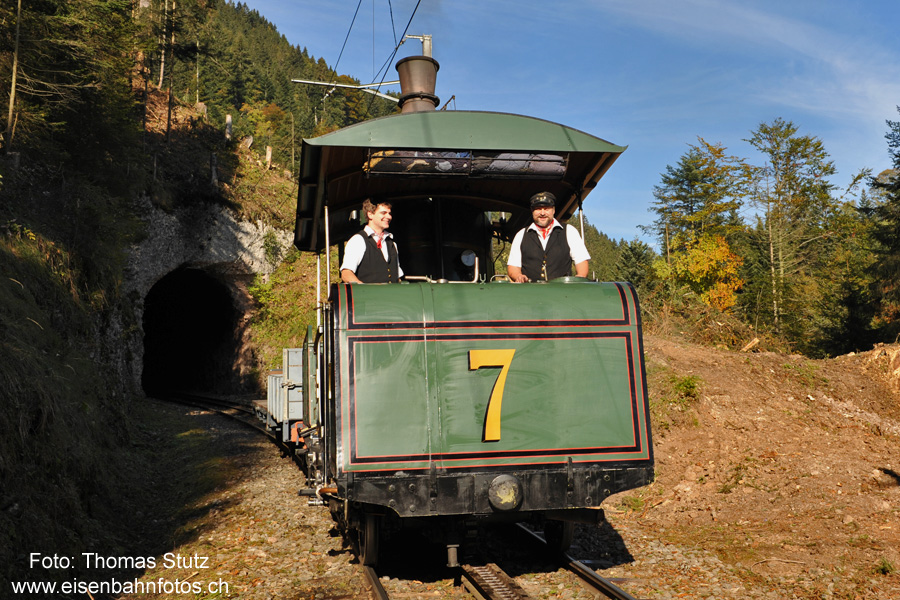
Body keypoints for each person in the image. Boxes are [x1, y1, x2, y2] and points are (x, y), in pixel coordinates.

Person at [506, 191, 590, 282]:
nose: (542, 213)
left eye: (546, 209)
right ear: (532, 211)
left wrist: (577, 283)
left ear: (553, 210)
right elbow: (513, 266)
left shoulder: (569, 231)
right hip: (530, 293)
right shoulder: (521, 234)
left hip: (563, 293)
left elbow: (582, 262)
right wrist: (518, 276)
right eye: (538, 209)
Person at [340, 199, 404, 283]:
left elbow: (397, 278)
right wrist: (366, 291)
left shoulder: (392, 244)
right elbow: (346, 274)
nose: (389, 217)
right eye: (383, 213)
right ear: (370, 214)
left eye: (389, 213)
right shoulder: (358, 240)